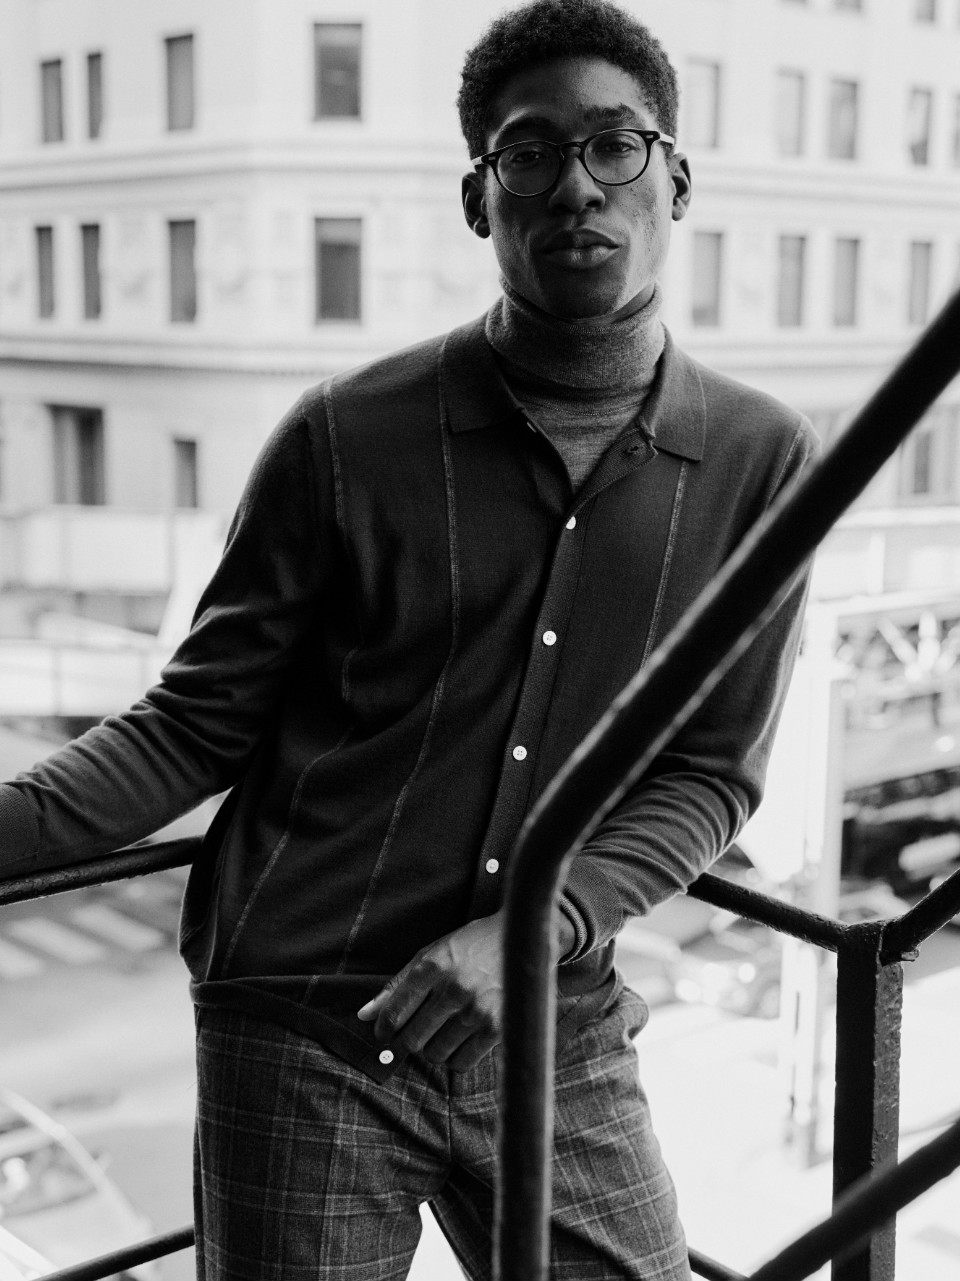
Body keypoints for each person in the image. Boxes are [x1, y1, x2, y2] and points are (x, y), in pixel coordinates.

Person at [0, 1, 819, 1277]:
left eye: (616, 146)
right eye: (529, 154)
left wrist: (536, 931)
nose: (576, 187)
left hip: (553, 1021)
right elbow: (193, 727)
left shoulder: (763, 462)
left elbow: (710, 772)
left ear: (676, 180)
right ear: (479, 200)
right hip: (304, 1030)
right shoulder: (344, 436)